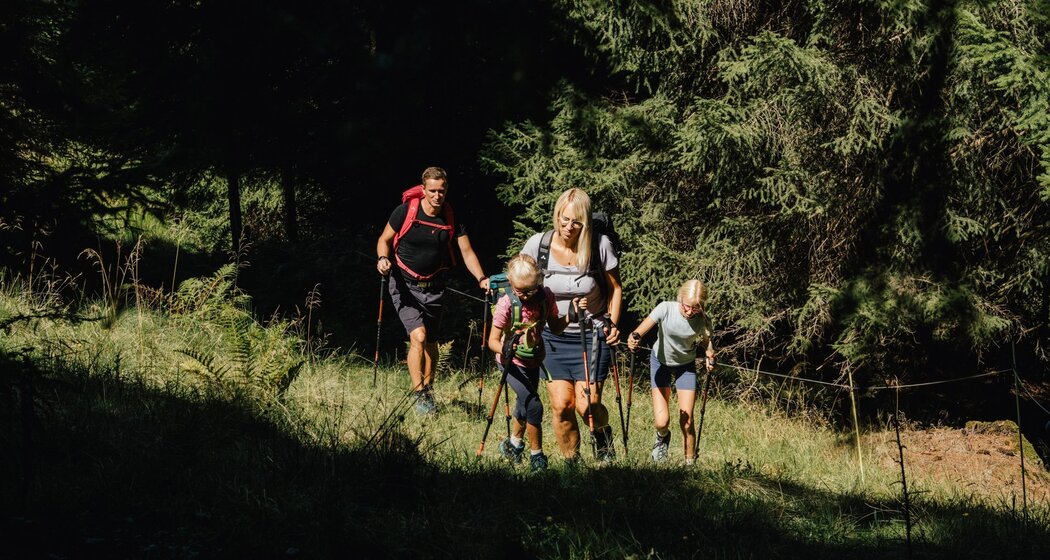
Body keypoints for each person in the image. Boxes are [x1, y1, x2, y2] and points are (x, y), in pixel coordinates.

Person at [520, 188, 622, 463]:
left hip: (592, 335)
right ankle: (572, 464)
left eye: (576, 222)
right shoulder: (538, 245)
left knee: (587, 405)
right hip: (554, 335)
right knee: (561, 406)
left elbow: (615, 287)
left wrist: (612, 323)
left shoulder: (600, 245)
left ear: (586, 222)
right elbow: (521, 281)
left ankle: (603, 440)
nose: (568, 227)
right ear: (556, 216)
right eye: (563, 220)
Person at [377, 166, 488, 414]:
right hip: (404, 284)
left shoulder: (451, 217)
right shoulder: (405, 211)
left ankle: (429, 388)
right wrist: (383, 259)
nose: (437, 195)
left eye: (442, 190)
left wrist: (481, 277)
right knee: (418, 336)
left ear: (446, 190)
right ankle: (419, 393)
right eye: (433, 191)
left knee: (432, 344)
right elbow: (384, 239)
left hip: (435, 287)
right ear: (424, 189)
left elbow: (467, 252)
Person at [486, 254, 574, 472]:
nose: (525, 296)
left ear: (539, 283)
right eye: (520, 291)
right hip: (510, 362)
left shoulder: (545, 297)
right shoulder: (507, 302)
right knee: (534, 404)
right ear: (511, 283)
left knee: (523, 406)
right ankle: (537, 456)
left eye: (530, 290)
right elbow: (492, 341)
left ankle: (513, 445)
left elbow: (555, 327)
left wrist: (570, 316)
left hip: (533, 360)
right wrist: (506, 348)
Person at [626, 279, 716, 465]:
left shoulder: (703, 321)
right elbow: (639, 331)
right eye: (687, 307)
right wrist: (634, 338)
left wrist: (710, 357)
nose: (690, 312)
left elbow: (708, 343)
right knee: (662, 421)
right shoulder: (665, 308)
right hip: (661, 363)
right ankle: (662, 438)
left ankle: (690, 464)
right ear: (680, 298)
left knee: (687, 420)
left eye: (696, 308)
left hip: (686, 367)